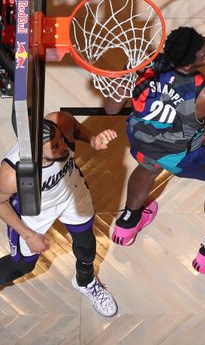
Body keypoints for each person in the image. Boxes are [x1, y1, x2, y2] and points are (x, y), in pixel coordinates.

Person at [104, 26, 205, 275]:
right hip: (176, 155)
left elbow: (110, 109)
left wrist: (127, 74)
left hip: (140, 139)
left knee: (148, 164)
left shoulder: (148, 64)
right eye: (204, 53)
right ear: (187, 64)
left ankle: (127, 224)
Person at [0, 112, 118, 316]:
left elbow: (72, 124)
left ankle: (85, 281)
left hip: (71, 194)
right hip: (35, 212)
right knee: (22, 266)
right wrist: (28, 235)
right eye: (55, 147)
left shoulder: (59, 122)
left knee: (86, 245)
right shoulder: (11, 174)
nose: (64, 145)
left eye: (61, 139)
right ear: (35, 154)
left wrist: (92, 140)